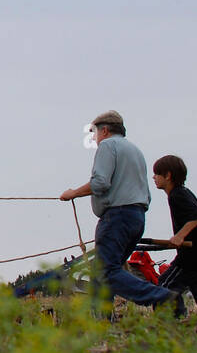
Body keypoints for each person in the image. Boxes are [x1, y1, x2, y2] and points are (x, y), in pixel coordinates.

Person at [59, 110, 183, 317]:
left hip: (116, 217)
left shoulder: (108, 146)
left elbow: (100, 183)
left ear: (105, 130)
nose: (94, 138)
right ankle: (101, 320)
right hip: (136, 217)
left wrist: (73, 193)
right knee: (102, 273)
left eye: (95, 132)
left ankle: (163, 297)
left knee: (107, 271)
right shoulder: (134, 150)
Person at [151, 155, 197, 310]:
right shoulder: (183, 192)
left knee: (165, 287)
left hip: (196, 255)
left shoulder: (177, 195)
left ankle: (173, 322)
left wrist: (179, 236)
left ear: (168, 175)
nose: (154, 177)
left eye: (157, 174)